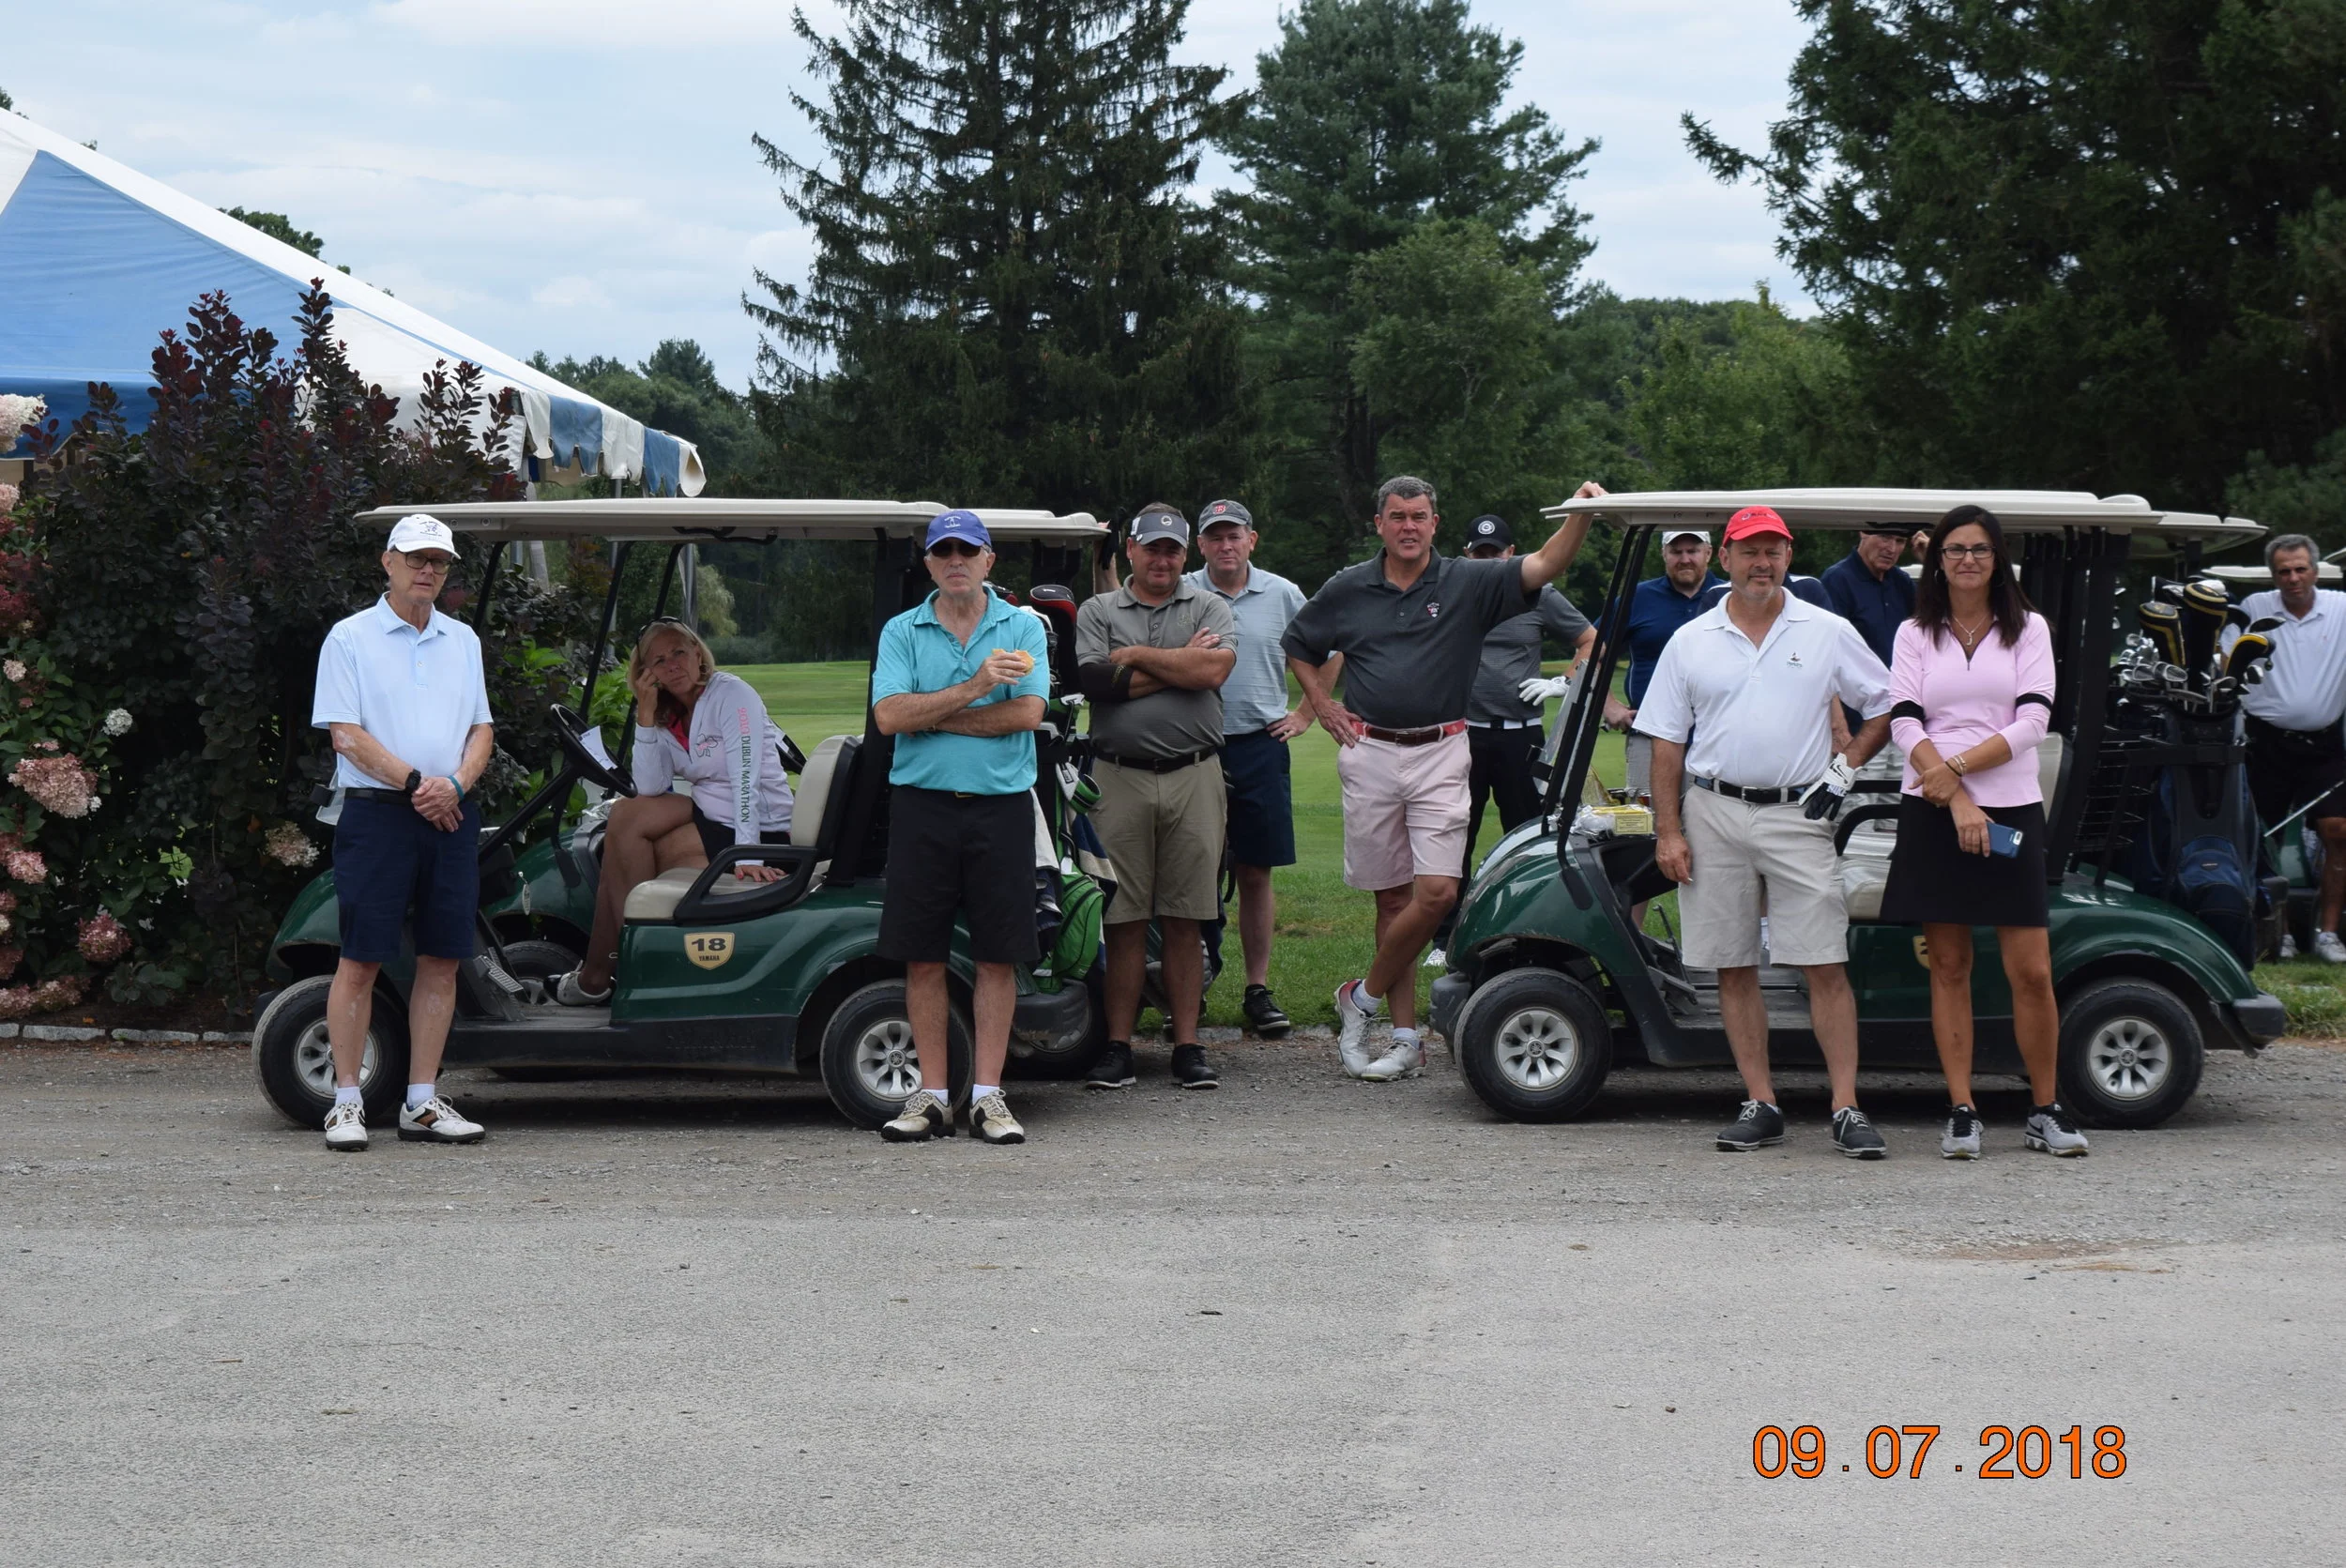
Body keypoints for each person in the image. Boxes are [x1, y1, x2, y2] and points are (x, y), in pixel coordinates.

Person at [1284, 475, 1600, 1082]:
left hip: (1443, 749)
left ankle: (1361, 998)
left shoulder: (1468, 581)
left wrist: (1580, 516)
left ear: (1434, 522)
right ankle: (1404, 1037)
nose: (1408, 525)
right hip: (1370, 749)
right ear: (1379, 523)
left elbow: (1543, 563)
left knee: (1437, 894)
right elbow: (1299, 641)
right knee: (1392, 898)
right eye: (1397, 515)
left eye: (1419, 515)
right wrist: (1320, 700)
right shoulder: (1349, 586)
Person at [1635, 504, 1896, 1158]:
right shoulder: (1691, 640)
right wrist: (1668, 831)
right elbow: (1665, 741)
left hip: (1797, 812)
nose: (1763, 562)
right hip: (1714, 810)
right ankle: (1761, 1100)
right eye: (1750, 550)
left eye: (1774, 550)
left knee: (1824, 961)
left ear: (1789, 557)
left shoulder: (1825, 628)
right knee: (1733, 961)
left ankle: (1846, 1105)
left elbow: (1888, 701)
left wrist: (1848, 764)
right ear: (1726, 558)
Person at [1878, 505, 2085, 1158]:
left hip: (2011, 805)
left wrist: (1959, 772)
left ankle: (2045, 1107)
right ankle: (1962, 1107)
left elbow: (2032, 722)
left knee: (2031, 970)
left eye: (1981, 549)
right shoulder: (1915, 632)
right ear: (1936, 558)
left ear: (1998, 559)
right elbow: (1906, 719)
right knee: (1949, 963)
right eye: (1955, 548)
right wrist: (1957, 798)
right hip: (1936, 808)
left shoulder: (2029, 630)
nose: (1968, 559)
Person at [309, 514, 495, 1151]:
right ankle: (346, 1101)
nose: (429, 570)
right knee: (361, 958)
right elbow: (345, 734)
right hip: (380, 814)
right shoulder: (350, 638)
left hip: (450, 813)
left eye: (440, 561)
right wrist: (421, 784)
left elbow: (481, 730)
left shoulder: (462, 640)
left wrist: (459, 787)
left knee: (442, 958)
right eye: (417, 558)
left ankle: (420, 1100)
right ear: (387, 562)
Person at [869, 510, 1052, 1146]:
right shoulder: (903, 630)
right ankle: (932, 1097)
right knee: (923, 954)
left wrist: (936, 715)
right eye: (942, 551)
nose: (955, 560)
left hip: (999, 807)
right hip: (923, 806)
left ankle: (988, 1096)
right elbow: (890, 716)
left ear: (987, 560)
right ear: (928, 563)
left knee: (998, 954)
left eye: (966, 551)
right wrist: (976, 687)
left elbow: (1026, 711)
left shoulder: (1021, 624)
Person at [1076, 504, 1238, 1090]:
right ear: (1131, 550)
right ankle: (1117, 1046)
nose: (1163, 559)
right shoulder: (1099, 609)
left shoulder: (1209, 605)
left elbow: (1214, 672)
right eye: (1152, 548)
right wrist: (1181, 662)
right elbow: (1095, 683)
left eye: (1173, 549)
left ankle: (1187, 1045)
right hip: (1118, 775)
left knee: (1186, 916)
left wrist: (1137, 656)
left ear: (1186, 552)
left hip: (1195, 773)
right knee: (1122, 918)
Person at [554, 618, 796, 1005]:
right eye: (659, 660)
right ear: (647, 673)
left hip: (758, 828)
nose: (673, 665)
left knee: (623, 849)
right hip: (712, 814)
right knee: (626, 818)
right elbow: (649, 788)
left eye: (680, 652)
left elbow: (745, 776)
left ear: (698, 652)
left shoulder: (732, 695)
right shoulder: (667, 712)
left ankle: (607, 974)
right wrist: (646, 715)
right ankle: (609, 972)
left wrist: (747, 854)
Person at [1187, 497, 1312, 1039]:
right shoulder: (1183, 590)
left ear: (1252, 540)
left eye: (1234, 535)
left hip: (1260, 744)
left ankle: (1256, 988)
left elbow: (1327, 648)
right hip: (1194, 745)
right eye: (1215, 536)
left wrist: (1308, 710)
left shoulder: (1282, 593)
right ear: (1202, 545)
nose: (1225, 545)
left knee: (1255, 871)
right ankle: (1193, 982)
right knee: (1194, 871)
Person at [1461, 512, 1594, 863]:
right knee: (1456, 836)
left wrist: (1563, 682)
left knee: (1527, 837)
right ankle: (1448, 918)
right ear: (1467, 555)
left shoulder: (1540, 595)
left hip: (1520, 736)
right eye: (1480, 554)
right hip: (1463, 736)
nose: (1489, 561)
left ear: (1512, 553)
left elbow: (1593, 642)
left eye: (1496, 553)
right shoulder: (1455, 594)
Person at [2237, 534, 2346, 963]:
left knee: (2338, 831)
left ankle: (2327, 932)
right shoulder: (2253, 610)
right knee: (2264, 838)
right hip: (2268, 742)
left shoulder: (2339, 607)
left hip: (2324, 742)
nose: (2293, 578)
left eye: (2300, 569)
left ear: (2315, 571)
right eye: (2284, 571)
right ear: (2273, 575)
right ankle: (2277, 932)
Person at [1606, 528, 1723, 797]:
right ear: (1663, 554)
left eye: (1692, 551)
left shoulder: (1730, 596)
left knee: (1710, 828)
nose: (1684, 559)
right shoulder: (1637, 597)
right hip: (1650, 735)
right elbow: (1591, 650)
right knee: (1648, 828)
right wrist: (1608, 705)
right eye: (1676, 551)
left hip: (1716, 739)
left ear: (1709, 553)